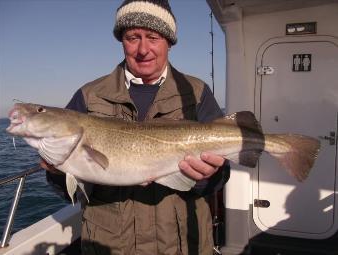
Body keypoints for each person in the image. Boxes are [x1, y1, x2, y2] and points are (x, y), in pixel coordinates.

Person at [44, 0, 230, 254]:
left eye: (153, 37)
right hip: (109, 245)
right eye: (133, 37)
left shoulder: (196, 93)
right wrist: (56, 172)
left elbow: (220, 177)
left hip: (181, 244)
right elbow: (71, 193)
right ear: (121, 40)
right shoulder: (89, 96)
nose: (143, 49)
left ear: (169, 41)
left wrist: (205, 177)